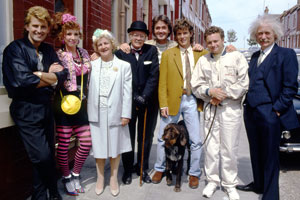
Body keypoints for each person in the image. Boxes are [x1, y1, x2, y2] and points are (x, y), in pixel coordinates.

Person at [2, 6, 68, 200]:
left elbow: (62, 75)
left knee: (47, 154)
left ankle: (43, 195)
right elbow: (21, 81)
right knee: (42, 156)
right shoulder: (15, 49)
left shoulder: (48, 50)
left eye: (43, 27)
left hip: (46, 108)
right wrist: (51, 76)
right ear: (27, 27)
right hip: (26, 109)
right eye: (35, 26)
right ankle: (52, 190)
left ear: (48, 29)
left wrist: (40, 75)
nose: (39, 30)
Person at [236, 15, 300, 200]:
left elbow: (290, 86)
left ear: (275, 34)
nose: (263, 36)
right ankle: (259, 184)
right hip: (252, 111)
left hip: (271, 112)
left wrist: (277, 109)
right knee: (256, 151)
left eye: (266, 33)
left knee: (271, 156)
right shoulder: (255, 56)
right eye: (259, 33)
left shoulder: (286, 55)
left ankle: (271, 195)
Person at [191, 26, 249, 200]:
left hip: (230, 109)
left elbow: (243, 83)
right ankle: (212, 181)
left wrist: (222, 95)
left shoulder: (236, 57)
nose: (213, 45)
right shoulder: (203, 60)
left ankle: (230, 184)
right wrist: (209, 92)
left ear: (223, 40)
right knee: (211, 147)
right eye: (209, 42)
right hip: (211, 110)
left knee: (229, 148)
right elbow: (196, 85)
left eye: (216, 41)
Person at [151, 18, 207, 189]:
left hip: (191, 100)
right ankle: (160, 168)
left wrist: (230, 49)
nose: (182, 36)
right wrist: (163, 104)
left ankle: (193, 173)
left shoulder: (201, 54)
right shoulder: (169, 54)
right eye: (179, 34)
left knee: (195, 140)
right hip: (172, 101)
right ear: (175, 36)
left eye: (185, 33)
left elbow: (218, 53)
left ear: (191, 34)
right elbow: (162, 82)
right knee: (163, 138)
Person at [88, 29, 132, 197]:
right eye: (100, 44)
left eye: (106, 43)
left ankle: (113, 178)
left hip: (116, 111)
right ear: (96, 47)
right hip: (97, 111)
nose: (103, 46)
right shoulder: (91, 65)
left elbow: (127, 92)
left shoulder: (123, 66)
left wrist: (126, 114)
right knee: (99, 147)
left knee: (115, 146)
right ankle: (100, 178)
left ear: (112, 44)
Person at [51, 12, 92, 196]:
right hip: (64, 103)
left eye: (76, 34)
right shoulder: (59, 55)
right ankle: (66, 177)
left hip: (81, 103)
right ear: (63, 36)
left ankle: (75, 173)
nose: (73, 38)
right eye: (69, 34)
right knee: (65, 143)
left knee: (86, 141)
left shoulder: (84, 54)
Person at [115, 21, 159, 185]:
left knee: (145, 138)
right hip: (128, 102)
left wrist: (145, 96)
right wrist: (133, 96)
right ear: (130, 36)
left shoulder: (151, 50)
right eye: (135, 35)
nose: (138, 38)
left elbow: (154, 75)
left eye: (141, 35)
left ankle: (142, 168)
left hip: (148, 102)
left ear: (145, 37)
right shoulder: (121, 52)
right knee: (128, 137)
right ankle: (127, 170)